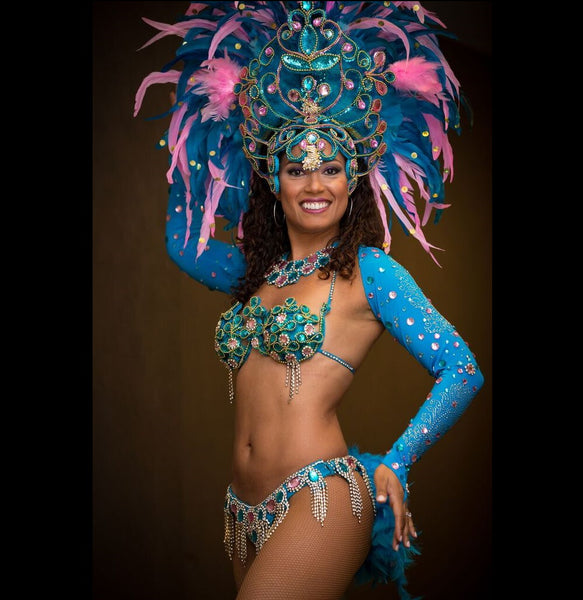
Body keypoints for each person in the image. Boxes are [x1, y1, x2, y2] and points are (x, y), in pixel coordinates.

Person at [134, 2, 484, 598]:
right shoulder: (255, 273)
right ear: (273, 177)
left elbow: (462, 368)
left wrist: (396, 461)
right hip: (243, 511)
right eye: (297, 168)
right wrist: (199, 127)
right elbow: (179, 244)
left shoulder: (370, 273)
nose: (315, 184)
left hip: (320, 498)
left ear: (355, 177)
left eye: (332, 167)